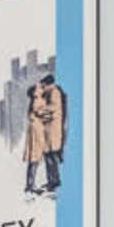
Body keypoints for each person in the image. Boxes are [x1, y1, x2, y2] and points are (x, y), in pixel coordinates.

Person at [20, 62, 66, 198]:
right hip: (43, 133)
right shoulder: (41, 97)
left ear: (48, 84)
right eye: (40, 87)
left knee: (50, 158)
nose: (42, 88)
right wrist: (38, 113)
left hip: (51, 131)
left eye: (43, 86)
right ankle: (51, 182)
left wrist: (40, 112)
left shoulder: (54, 92)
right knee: (47, 158)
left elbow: (52, 108)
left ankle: (53, 182)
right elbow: (35, 113)